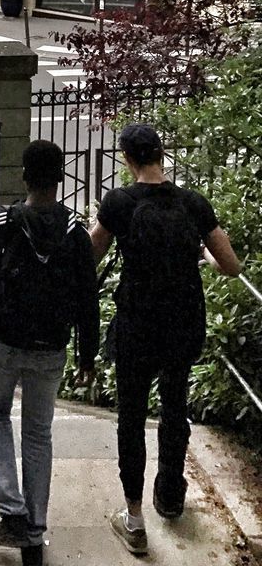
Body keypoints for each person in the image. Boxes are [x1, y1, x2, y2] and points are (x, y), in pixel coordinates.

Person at [90, 124, 242, 556]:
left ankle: (134, 518)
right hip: (182, 323)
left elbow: (89, 256)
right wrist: (204, 256)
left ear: (127, 159)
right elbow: (230, 265)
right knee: (175, 407)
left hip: (138, 323)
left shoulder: (119, 202)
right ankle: (171, 494)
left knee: (132, 416)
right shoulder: (192, 203)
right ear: (161, 154)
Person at [0, 140, 99, 566]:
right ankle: (35, 529)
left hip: (5, 342)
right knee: (39, 432)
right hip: (51, 347)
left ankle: (12, 511)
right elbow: (87, 299)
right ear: (60, 178)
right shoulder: (77, 232)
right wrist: (86, 356)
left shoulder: (2, 225)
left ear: (25, 176)